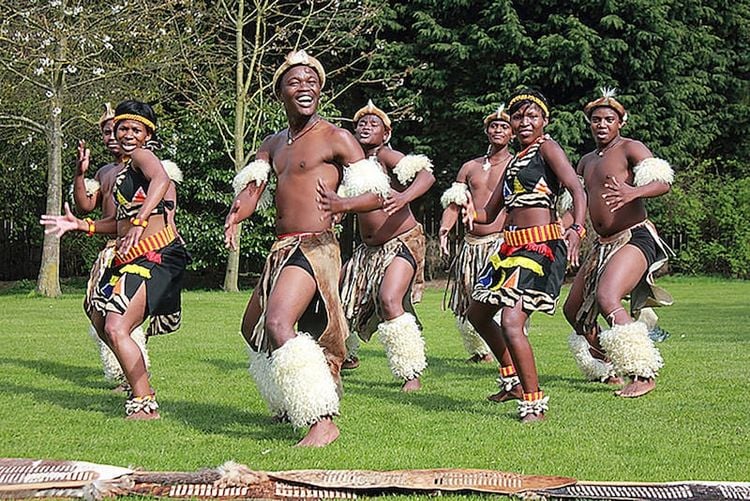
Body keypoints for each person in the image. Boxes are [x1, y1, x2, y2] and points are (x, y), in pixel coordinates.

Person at [225, 51, 386, 447]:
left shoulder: (336, 137)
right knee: (254, 330)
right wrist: (235, 214)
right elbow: (254, 188)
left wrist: (342, 204)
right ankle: (289, 401)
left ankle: (322, 418)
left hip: (316, 247)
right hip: (282, 248)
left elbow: (376, 195)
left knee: (279, 323)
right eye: (295, 82)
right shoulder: (273, 143)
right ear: (280, 91)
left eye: (312, 82)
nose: (305, 88)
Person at [42, 100, 189, 420]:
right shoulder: (120, 172)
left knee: (116, 325)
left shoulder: (143, 156)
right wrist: (83, 225)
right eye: (122, 128)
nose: (127, 134)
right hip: (131, 254)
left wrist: (139, 223)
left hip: (156, 253)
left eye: (136, 129)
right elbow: (116, 222)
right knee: (102, 319)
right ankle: (138, 390)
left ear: (148, 134)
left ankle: (144, 402)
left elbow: (161, 181)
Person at [462, 89, 587, 422]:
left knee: (512, 322)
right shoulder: (514, 160)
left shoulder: (548, 148)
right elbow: (488, 214)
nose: (524, 122)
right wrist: (465, 212)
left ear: (544, 120)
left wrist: (576, 229)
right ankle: (512, 379)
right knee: (477, 314)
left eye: (532, 116)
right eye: (518, 117)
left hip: (540, 246)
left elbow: (576, 188)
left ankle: (533, 403)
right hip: (510, 247)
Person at [562, 88, 673, 398]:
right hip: (601, 244)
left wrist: (632, 193)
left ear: (620, 122)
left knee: (608, 297)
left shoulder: (631, 148)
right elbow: (575, 208)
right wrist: (562, 229)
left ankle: (642, 371)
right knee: (574, 312)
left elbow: (662, 182)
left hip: (634, 236)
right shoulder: (585, 161)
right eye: (596, 120)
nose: (601, 124)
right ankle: (609, 363)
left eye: (608, 119)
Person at [321, 100, 434, 392]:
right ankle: (347, 357)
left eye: (374, 124)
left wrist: (404, 196)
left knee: (388, 299)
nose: (365, 126)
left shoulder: (386, 155)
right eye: (361, 123)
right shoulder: (350, 166)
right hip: (367, 251)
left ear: (386, 134)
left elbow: (426, 175)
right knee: (339, 296)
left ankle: (411, 373)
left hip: (401, 242)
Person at [439, 105, 513, 366]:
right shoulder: (470, 167)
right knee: (471, 299)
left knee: (501, 299)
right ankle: (481, 351)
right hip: (471, 245)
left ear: (512, 133)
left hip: (501, 243)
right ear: (486, 131)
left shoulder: (516, 165)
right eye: (494, 125)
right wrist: (445, 228)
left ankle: (509, 352)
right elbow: (455, 202)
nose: (498, 130)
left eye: (504, 126)